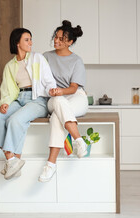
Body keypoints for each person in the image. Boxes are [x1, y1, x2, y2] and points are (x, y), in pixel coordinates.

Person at [0, 28, 57, 180]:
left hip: (38, 100)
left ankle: (14, 159)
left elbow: (49, 81)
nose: (31, 42)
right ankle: (11, 160)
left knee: (15, 120)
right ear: (17, 43)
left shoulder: (37, 58)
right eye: (27, 39)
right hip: (19, 99)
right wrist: (4, 103)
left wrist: (52, 91)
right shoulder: (10, 66)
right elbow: (7, 89)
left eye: (31, 39)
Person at [38, 20, 88, 182]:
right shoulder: (46, 57)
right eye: (56, 37)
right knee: (59, 103)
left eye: (61, 39)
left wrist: (61, 91)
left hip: (75, 97)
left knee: (56, 118)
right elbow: (40, 81)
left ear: (70, 42)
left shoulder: (76, 61)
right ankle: (78, 140)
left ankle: (50, 165)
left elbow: (73, 88)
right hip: (54, 98)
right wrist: (54, 91)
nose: (56, 41)